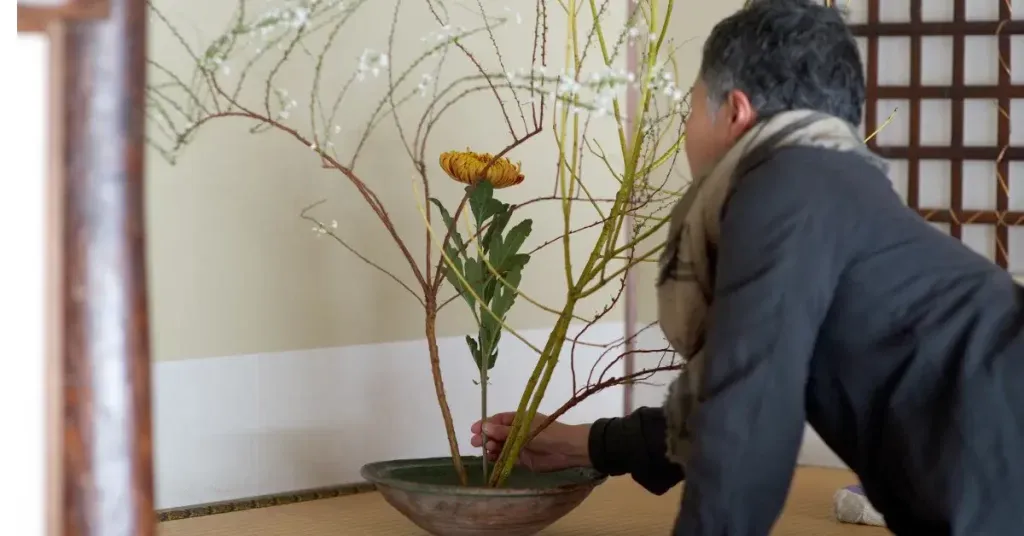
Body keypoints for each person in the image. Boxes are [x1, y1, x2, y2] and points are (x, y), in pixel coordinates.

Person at [472, 1, 1024, 534]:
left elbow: (748, 419)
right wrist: (584, 444)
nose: (685, 129)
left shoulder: (786, 186)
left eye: (691, 107)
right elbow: (741, 383)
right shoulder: (829, 184)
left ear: (734, 112)